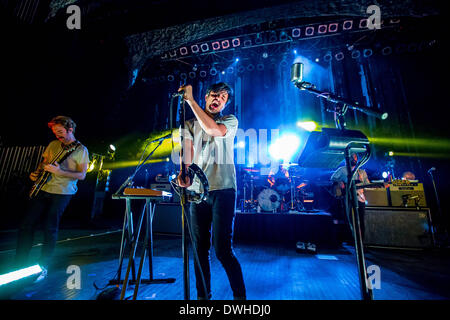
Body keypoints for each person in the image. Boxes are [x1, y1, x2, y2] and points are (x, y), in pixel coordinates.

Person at [177, 82, 246, 300]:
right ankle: (202, 298)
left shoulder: (229, 120)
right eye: (215, 95)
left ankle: (240, 298)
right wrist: (183, 172)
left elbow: (212, 130)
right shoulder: (187, 124)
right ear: (206, 96)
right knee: (199, 251)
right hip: (197, 193)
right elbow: (186, 153)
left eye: (223, 97)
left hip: (223, 189)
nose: (218, 99)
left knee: (222, 250)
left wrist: (190, 100)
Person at [15, 116, 89, 279]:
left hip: (63, 192)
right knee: (26, 225)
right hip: (43, 188)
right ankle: (19, 263)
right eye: (55, 132)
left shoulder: (81, 150)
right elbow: (44, 163)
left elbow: (82, 175)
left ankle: (43, 266)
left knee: (50, 228)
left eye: (60, 131)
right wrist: (37, 173)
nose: (57, 135)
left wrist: (59, 172)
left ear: (70, 129)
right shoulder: (53, 145)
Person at [330, 153, 370, 240]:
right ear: (347, 159)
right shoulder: (342, 170)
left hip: (360, 197)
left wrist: (377, 185)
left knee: (361, 220)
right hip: (348, 197)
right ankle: (351, 239)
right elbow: (332, 178)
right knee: (350, 219)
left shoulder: (362, 172)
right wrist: (339, 181)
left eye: (355, 158)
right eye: (352, 157)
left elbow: (367, 184)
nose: (354, 159)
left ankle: (361, 241)